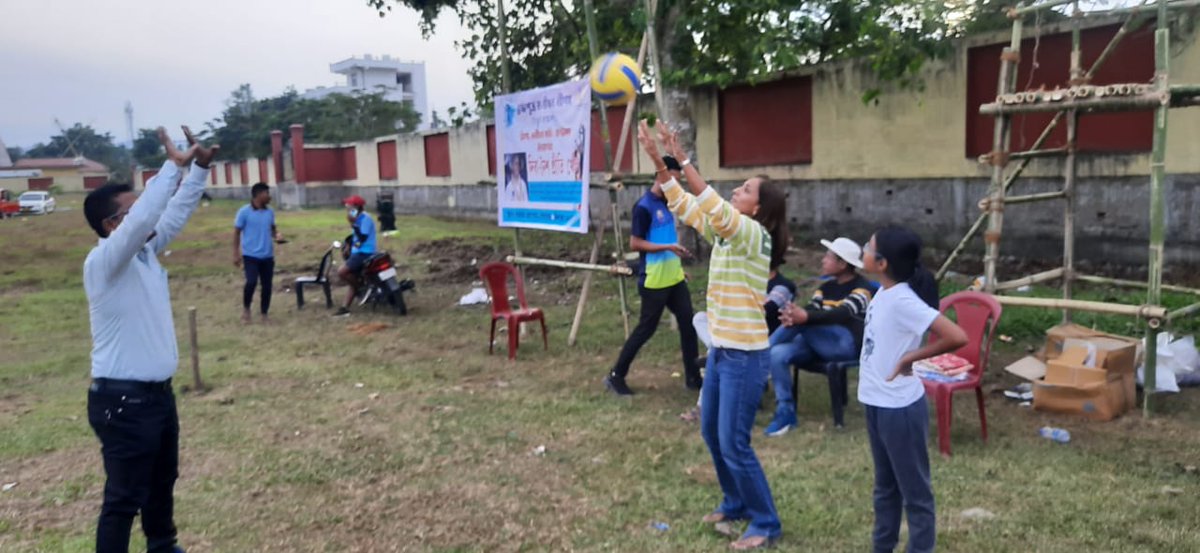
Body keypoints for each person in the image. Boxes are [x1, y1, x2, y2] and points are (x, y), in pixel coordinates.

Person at [638, 120, 786, 550]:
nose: (736, 192)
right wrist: (658, 161)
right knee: (711, 432)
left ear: (757, 208)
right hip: (722, 350)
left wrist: (682, 158)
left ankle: (766, 523)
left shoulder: (752, 233)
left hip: (745, 355)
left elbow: (712, 204)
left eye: (744, 189)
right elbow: (685, 204)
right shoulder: (726, 236)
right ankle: (736, 502)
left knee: (734, 443)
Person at [82, 127, 217, 553]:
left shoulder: (143, 254)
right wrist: (171, 167)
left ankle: (162, 545)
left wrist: (198, 170)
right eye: (132, 209)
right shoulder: (105, 262)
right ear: (111, 224)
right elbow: (146, 216)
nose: (144, 213)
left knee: (162, 483)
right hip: (123, 404)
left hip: (157, 398)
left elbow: (171, 214)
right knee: (123, 501)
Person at [858, 226, 968, 553]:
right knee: (885, 489)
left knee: (915, 495)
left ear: (881, 263)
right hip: (876, 403)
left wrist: (912, 357)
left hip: (899, 410)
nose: (862, 248)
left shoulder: (903, 299)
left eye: (868, 246)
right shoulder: (883, 290)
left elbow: (956, 336)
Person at [603, 155, 701, 396]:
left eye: (678, 182)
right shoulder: (644, 207)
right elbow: (635, 243)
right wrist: (667, 248)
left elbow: (664, 238)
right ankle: (616, 375)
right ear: (660, 176)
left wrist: (676, 260)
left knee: (689, 324)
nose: (675, 186)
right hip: (654, 280)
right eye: (672, 180)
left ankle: (692, 376)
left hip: (674, 278)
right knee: (646, 329)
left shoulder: (669, 204)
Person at [764, 237, 873, 436]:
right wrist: (795, 314)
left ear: (842, 264)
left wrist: (803, 317)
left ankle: (758, 353)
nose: (823, 260)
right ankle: (785, 411)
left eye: (828, 257)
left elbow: (841, 314)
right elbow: (812, 309)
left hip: (844, 346)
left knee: (802, 322)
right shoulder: (825, 288)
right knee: (778, 353)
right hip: (816, 343)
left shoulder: (862, 288)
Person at [233, 182, 281, 324]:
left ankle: (264, 313)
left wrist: (277, 235)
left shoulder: (270, 212)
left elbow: (272, 229)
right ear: (258, 195)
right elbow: (236, 233)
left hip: (267, 255)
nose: (269, 196)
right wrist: (236, 253)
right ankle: (246, 310)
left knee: (267, 286)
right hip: (250, 255)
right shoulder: (244, 212)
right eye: (267, 193)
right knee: (251, 282)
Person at [334, 195, 377, 317]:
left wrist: (353, 225)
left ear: (356, 207)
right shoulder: (356, 217)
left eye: (349, 205)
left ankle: (361, 290)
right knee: (352, 278)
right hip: (358, 252)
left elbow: (362, 237)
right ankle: (344, 308)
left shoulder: (365, 219)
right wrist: (350, 245)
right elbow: (357, 238)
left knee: (342, 272)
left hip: (364, 253)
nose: (347, 207)